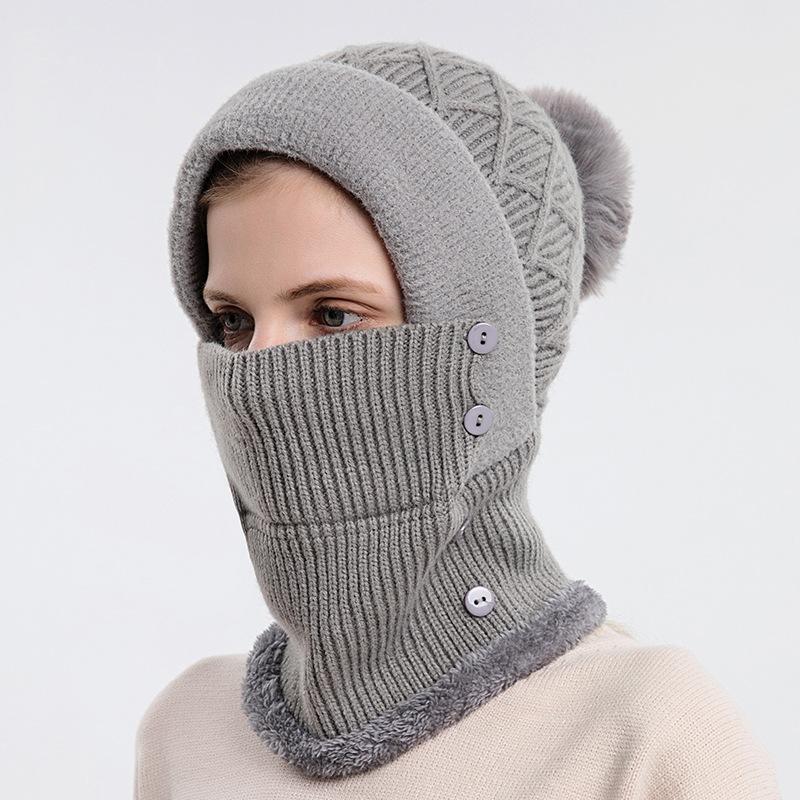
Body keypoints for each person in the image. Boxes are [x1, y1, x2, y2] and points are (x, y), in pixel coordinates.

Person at [134, 40, 782, 799]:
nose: (258, 373)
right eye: (233, 322)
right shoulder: (189, 733)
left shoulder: (648, 733)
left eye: (333, 314)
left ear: (491, 358)